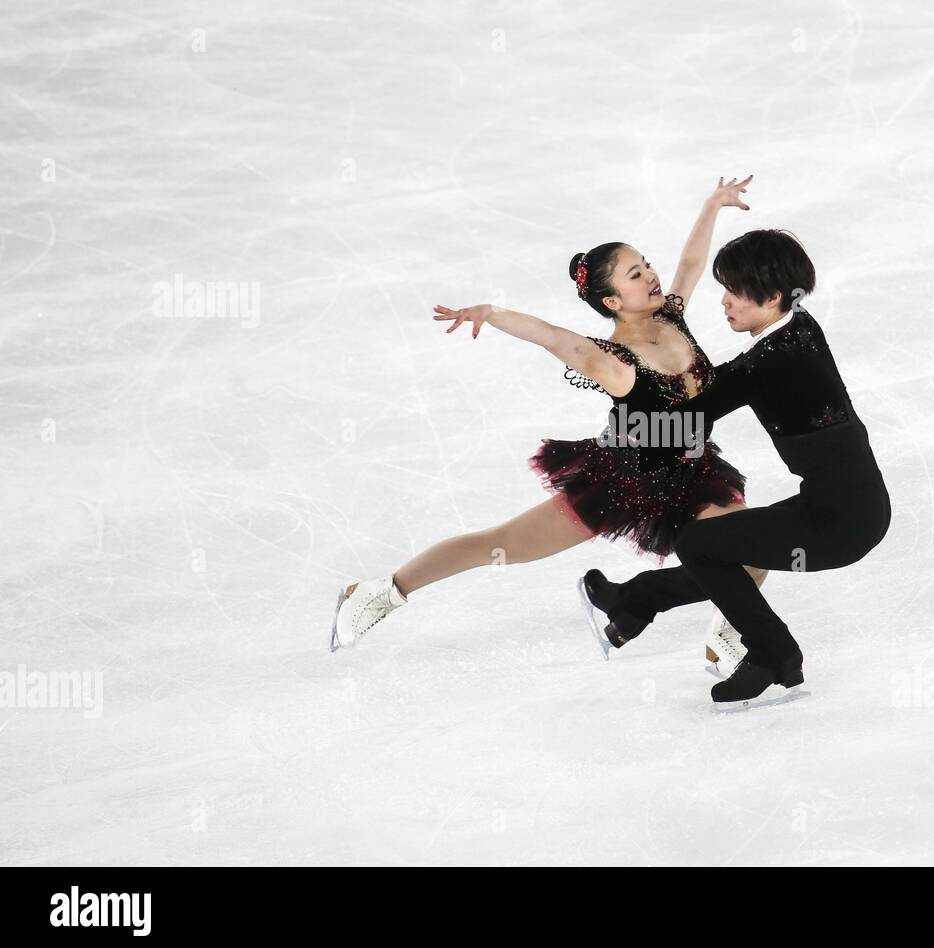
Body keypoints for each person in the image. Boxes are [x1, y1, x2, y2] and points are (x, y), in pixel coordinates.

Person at [330, 178, 772, 653]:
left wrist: (711, 205)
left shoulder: (672, 317)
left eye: (645, 264)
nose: (650, 275)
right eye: (634, 274)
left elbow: (689, 263)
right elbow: (552, 336)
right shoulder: (613, 360)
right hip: (623, 478)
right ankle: (382, 591)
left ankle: (729, 630)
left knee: (752, 548)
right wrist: (493, 312)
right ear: (612, 302)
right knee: (499, 545)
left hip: (692, 473)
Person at [579, 229, 891, 708]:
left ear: (769, 296)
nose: (722, 301)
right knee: (725, 549)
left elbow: (692, 416)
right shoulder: (796, 329)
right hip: (849, 507)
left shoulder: (769, 358)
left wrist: (625, 439)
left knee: (699, 544)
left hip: (841, 521)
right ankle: (635, 601)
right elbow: (714, 391)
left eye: (733, 292)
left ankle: (774, 653)